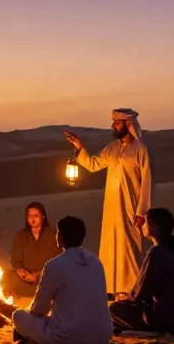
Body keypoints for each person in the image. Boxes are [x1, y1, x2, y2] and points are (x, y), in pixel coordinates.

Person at [63, 108, 153, 297]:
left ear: (128, 124)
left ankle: (134, 290)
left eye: (117, 122)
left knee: (130, 249)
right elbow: (94, 164)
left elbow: (147, 181)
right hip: (112, 207)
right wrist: (79, 147)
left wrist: (142, 211)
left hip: (131, 207)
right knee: (111, 246)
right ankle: (112, 289)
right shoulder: (112, 147)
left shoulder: (140, 149)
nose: (113, 126)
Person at [0, 216, 112, 344]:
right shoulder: (96, 262)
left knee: (18, 315)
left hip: (69, 340)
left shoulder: (54, 265)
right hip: (102, 338)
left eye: (57, 232)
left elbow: (38, 310)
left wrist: (27, 311)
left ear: (60, 236)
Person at [108, 207, 174, 334]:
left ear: (153, 226)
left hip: (166, 321)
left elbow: (140, 293)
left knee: (114, 309)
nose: (142, 225)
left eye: (145, 222)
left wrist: (125, 297)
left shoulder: (156, 252)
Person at [8, 202, 62, 297]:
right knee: (9, 277)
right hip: (26, 279)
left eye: (36, 215)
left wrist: (38, 275)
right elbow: (16, 261)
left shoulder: (53, 235)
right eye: (30, 215)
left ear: (43, 216)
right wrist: (21, 271)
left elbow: (58, 261)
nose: (32, 218)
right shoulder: (21, 236)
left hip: (46, 277)